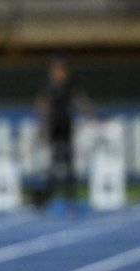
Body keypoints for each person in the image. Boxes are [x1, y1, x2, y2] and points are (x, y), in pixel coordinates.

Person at [34, 54, 97, 208]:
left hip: (66, 125)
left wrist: (92, 112)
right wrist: (42, 127)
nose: (59, 71)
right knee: (53, 164)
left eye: (61, 68)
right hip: (53, 126)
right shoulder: (48, 85)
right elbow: (42, 105)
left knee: (69, 163)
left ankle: (71, 197)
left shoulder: (70, 84)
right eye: (56, 68)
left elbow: (80, 100)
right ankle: (47, 196)